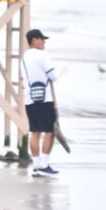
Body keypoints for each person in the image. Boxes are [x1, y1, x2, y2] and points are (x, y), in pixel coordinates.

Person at [22, 29, 60, 177]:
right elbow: (54, 76)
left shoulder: (24, 57)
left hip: (29, 98)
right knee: (50, 131)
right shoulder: (42, 55)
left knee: (35, 131)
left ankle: (37, 165)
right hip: (44, 99)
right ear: (34, 40)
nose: (44, 43)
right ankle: (45, 164)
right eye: (42, 40)